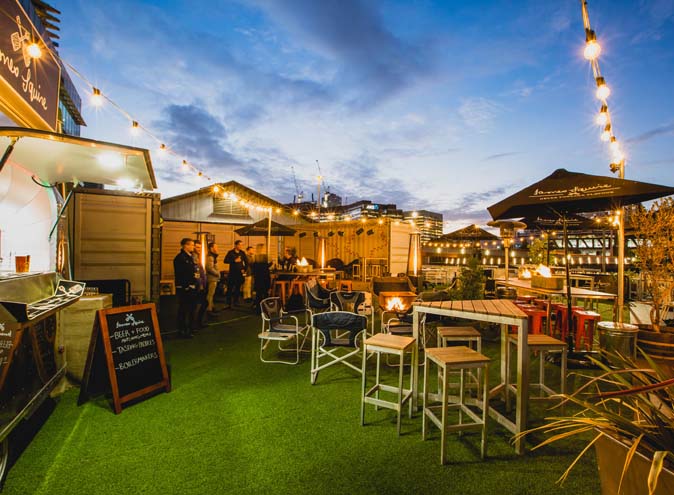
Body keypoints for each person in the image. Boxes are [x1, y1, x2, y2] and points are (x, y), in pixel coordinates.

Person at [173, 238, 199, 338]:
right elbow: (181, 274)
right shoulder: (180, 258)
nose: (193, 247)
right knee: (184, 309)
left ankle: (190, 328)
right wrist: (186, 286)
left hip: (192, 286)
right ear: (185, 245)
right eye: (191, 245)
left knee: (192, 308)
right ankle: (182, 330)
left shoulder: (190, 257)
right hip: (185, 288)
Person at [224, 240, 248, 307]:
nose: (241, 246)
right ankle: (228, 301)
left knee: (238, 288)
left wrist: (244, 269)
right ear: (236, 245)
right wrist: (234, 260)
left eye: (241, 245)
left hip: (239, 273)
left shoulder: (242, 253)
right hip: (232, 273)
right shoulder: (230, 252)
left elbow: (246, 262)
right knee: (230, 288)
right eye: (239, 245)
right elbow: (225, 261)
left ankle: (236, 301)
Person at [252, 243, 271, 312]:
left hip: (258, 277)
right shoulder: (266, 257)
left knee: (259, 293)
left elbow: (253, 267)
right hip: (264, 276)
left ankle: (258, 308)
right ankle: (265, 307)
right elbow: (268, 265)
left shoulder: (255, 257)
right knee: (265, 292)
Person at [193, 240, 208, 328]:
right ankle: (196, 323)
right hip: (198, 285)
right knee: (199, 304)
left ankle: (198, 322)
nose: (199, 249)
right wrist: (200, 284)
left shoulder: (197, 257)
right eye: (197, 247)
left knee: (203, 303)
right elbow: (196, 272)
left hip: (201, 284)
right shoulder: (194, 257)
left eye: (200, 247)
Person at [205, 242, 220, 314]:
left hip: (213, 278)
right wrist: (217, 273)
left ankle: (212, 306)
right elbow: (209, 268)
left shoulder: (213, 256)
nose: (217, 249)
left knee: (212, 294)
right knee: (210, 294)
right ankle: (209, 309)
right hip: (212, 278)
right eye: (216, 247)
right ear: (211, 248)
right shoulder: (210, 257)